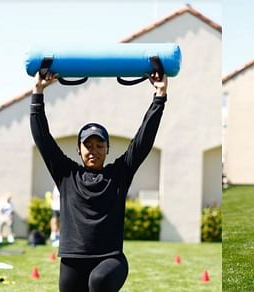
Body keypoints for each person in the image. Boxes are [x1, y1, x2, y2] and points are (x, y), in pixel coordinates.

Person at [30, 70, 167, 292]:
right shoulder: (66, 174)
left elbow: (143, 141)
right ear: (78, 149)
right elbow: (43, 139)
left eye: (99, 145)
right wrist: (38, 92)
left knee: (99, 282)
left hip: (110, 260)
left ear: (107, 148)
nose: (93, 150)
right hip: (73, 260)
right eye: (88, 145)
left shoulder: (119, 174)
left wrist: (159, 96)